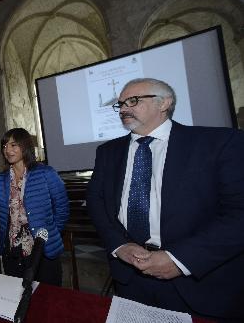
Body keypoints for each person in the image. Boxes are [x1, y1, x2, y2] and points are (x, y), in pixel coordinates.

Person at [87, 78, 244, 321]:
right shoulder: (107, 152)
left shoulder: (219, 143)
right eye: (120, 104)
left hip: (198, 282)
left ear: (165, 103)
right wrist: (119, 245)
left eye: (133, 101)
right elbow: (97, 204)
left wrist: (180, 259)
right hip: (130, 279)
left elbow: (238, 215)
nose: (124, 109)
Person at [0, 128, 69, 286]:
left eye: (13, 145)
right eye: (5, 146)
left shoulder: (46, 173)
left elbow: (62, 209)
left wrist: (49, 233)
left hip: (43, 251)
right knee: (16, 299)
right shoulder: (0, 180)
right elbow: (4, 216)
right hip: (13, 251)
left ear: (25, 146)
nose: (8, 150)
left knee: (47, 300)